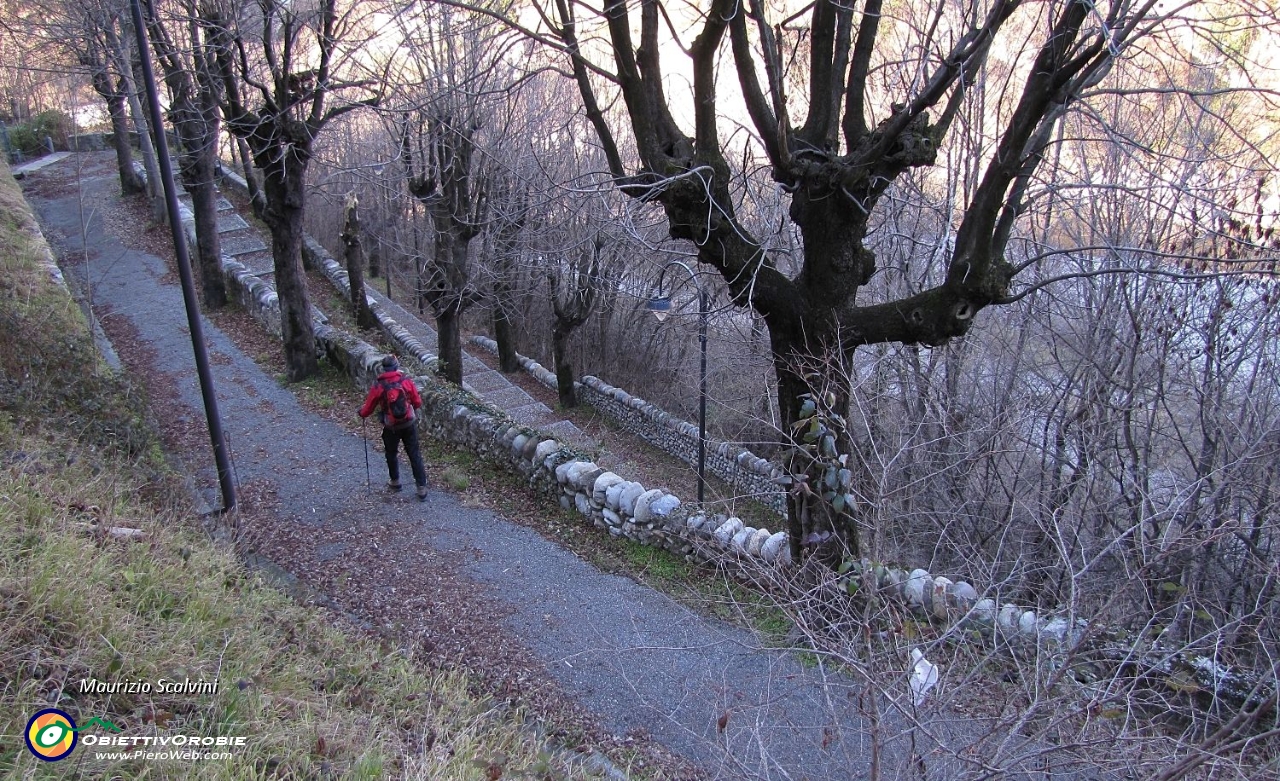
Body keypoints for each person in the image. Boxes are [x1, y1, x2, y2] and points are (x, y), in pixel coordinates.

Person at [359, 355, 428, 500]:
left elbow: (369, 408)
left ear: (384, 369)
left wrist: (361, 413)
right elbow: (417, 402)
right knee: (414, 454)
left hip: (391, 426)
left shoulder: (379, 386)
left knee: (391, 453)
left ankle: (395, 481)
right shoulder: (406, 381)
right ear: (396, 366)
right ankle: (421, 487)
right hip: (408, 423)